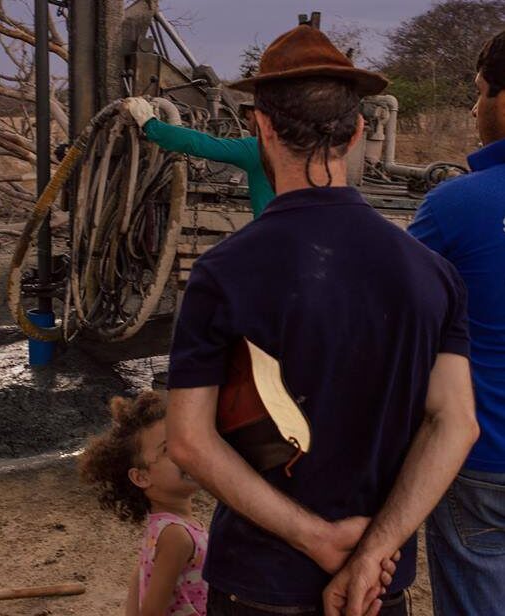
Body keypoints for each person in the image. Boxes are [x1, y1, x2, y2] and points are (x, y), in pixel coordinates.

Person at [165, 24, 479, 616]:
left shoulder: (222, 273)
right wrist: (373, 551)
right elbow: (455, 424)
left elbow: (188, 440)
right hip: (376, 589)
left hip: (259, 583)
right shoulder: (432, 274)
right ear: (358, 131)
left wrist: (316, 538)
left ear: (261, 127)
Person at [408, 29, 505, 616]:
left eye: (480, 91)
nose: (473, 109)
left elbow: (395, 314)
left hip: (484, 458)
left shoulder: (454, 205)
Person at [79, 391, 209, 615]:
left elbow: (139, 577)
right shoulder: (176, 535)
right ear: (141, 477)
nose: (185, 452)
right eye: (168, 449)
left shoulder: (163, 527)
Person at [122, 93, 274, 218]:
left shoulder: (259, 148)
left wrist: (149, 122)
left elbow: (199, 143)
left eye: (249, 119)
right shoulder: (285, 145)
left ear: (261, 118)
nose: (247, 125)